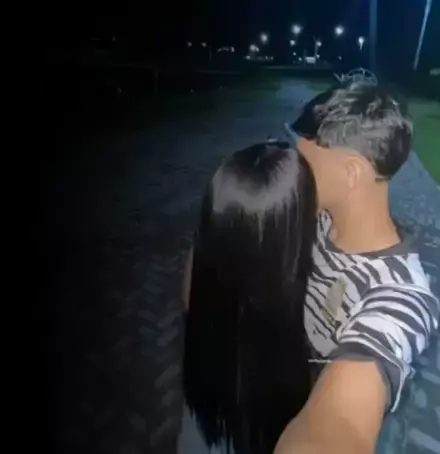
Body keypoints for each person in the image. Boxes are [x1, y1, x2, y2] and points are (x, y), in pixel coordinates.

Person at [276, 81, 439, 454]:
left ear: (351, 173)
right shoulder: (319, 221)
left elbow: (342, 420)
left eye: (304, 162)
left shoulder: (400, 297)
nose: (293, 171)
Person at [180, 143, 318, 454]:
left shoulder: (201, 259)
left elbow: (189, 304)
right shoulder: (297, 291)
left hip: (205, 416)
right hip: (258, 432)